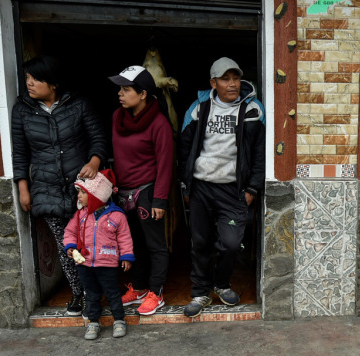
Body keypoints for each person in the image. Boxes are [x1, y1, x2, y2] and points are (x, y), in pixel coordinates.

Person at [11, 56, 107, 317]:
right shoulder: (22, 109)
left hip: (81, 188)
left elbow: (98, 137)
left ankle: (94, 292)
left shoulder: (78, 104)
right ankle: (79, 292)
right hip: (46, 187)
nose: (28, 84)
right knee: (67, 247)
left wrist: (95, 161)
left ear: (52, 84)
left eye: (35, 79)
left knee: (90, 242)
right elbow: (20, 152)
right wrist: (23, 187)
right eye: (27, 79)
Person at [178, 57, 265, 317]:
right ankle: (201, 292)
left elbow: (259, 154)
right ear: (213, 83)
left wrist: (252, 189)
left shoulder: (253, 109)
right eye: (226, 79)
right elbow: (184, 147)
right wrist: (185, 184)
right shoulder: (198, 108)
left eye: (236, 78)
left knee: (230, 243)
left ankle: (221, 283)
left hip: (233, 190)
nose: (232, 84)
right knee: (201, 242)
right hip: (202, 187)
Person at [108, 65, 175, 316]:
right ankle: (137, 288)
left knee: (155, 246)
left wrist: (160, 200)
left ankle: (156, 293)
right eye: (120, 89)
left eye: (126, 90)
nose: (120, 94)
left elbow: (166, 164)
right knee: (131, 244)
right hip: (122, 194)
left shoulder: (159, 124)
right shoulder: (117, 118)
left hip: (147, 193)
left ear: (143, 93)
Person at [63, 170, 134, 340]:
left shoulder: (117, 215)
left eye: (82, 192)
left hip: (107, 263)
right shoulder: (80, 215)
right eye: (78, 192)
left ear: (96, 195)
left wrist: (126, 256)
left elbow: (124, 238)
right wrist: (70, 247)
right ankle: (93, 322)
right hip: (85, 264)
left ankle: (119, 320)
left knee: (112, 293)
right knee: (92, 293)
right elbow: (69, 232)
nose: (78, 196)